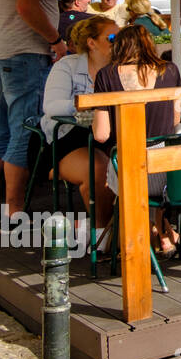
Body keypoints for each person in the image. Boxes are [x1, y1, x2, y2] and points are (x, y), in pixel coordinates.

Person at [89, 24, 181, 255]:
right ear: (149, 44)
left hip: (128, 168)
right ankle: (161, 229)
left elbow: (101, 134)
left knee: (123, 179)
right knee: (153, 184)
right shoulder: (170, 71)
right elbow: (174, 119)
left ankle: (151, 231)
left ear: (118, 46)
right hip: (167, 172)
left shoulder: (107, 75)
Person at [0, 0, 65, 217]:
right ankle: (14, 209)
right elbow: (26, 7)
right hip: (23, 53)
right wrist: (56, 41)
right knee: (22, 131)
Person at [42, 15, 118, 242]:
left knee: (142, 162)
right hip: (67, 137)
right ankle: (103, 237)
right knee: (100, 171)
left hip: (109, 134)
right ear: (92, 43)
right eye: (112, 37)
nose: (118, 42)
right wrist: (88, 104)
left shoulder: (120, 67)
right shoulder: (68, 66)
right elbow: (51, 106)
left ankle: (142, 231)